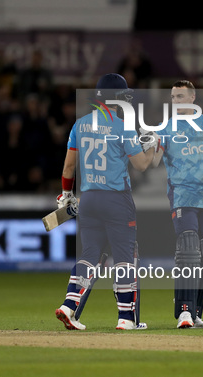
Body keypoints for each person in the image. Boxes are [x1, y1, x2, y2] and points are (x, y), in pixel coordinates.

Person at [54, 73, 155, 331]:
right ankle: (126, 319)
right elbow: (142, 165)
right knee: (125, 259)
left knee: (89, 256)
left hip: (88, 200)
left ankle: (68, 305)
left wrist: (67, 195)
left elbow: (68, 167)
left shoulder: (80, 124)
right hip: (116, 200)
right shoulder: (122, 126)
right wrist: (152, 144)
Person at [152, 80, 203, 329]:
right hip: (182, 195)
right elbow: (154, 163)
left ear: (192, 98)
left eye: (180, 96)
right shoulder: (164, 128)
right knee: (188, 251)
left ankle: (196, 313)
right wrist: (151, 144)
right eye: (173, 97)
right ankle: (183, 312)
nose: (175, 101)